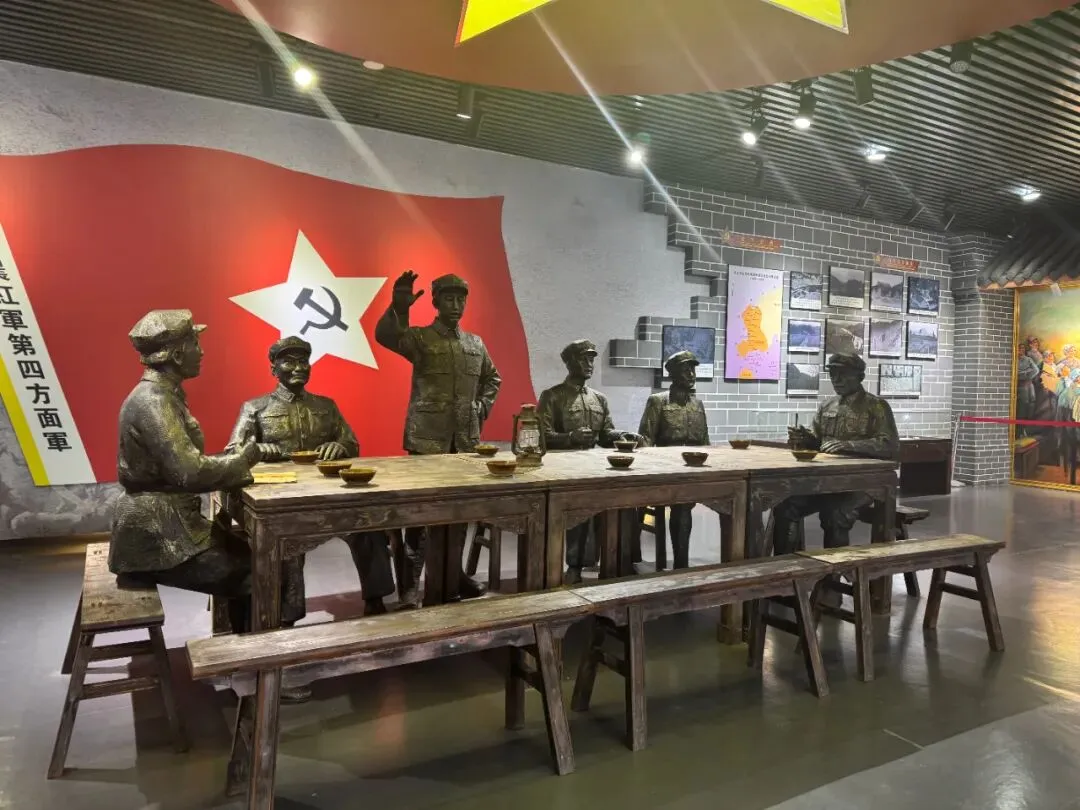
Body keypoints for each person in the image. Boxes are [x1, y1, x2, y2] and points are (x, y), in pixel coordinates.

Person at [108, 310, 259, 636]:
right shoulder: (153, 401)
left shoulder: (162, 395)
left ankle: (241, 645)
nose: (201, 352)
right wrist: (242, 461)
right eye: (195, 344)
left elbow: (182, 462)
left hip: (168, 523)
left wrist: (228, 461)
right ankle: (254, 658)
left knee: (248, 553)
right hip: (158, 535)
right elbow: (188, 472)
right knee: (258, 571)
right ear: (177, 355)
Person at [226, 336, 396, 626]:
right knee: (285, 541)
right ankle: (286, 616)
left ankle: (375, 598)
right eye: (288, 362)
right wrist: (259, 450)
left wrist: (340, 446)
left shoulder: (326, 406)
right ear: (274, 369)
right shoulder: (255, 408)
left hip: (328, 493)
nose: (298, 367)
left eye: (303, 361)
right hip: (282, 498)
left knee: (369, 525)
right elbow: (233, 452)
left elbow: (352, 442)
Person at [374, 270, 501, 605]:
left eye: (460, 299)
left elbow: (493, 379)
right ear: (435, 302)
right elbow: (386, 336)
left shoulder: (475, 344)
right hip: (427, 441)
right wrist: (400, 308)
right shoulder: (420, 338)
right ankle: (410, 586)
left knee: (459, 516)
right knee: (420, 519)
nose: (455, 305)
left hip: (465, 443)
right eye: (448, 299)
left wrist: (481, 407)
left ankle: (452, 576)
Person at [538, 339, 643, 583]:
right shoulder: (552, 396)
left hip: (595, 467)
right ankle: (574, 566)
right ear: (569, 362)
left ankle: (620, 561)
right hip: (564, 471)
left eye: (592, 359)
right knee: (580, 504)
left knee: (628, 500)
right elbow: (541, 438)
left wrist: (622, 435)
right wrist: (569, 438)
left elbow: (605, 435)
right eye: (583, 359)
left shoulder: (599, 399)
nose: (589, 364)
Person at [778, 353, 899, 554]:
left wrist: (848, 445)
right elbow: (819, 442)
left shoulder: (876, 406)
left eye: (843, 374)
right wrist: (805, 439)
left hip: (864, 483)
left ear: (860, 376)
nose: (837, 380)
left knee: (835, 515)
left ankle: (835, 571)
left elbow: (890, 446)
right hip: (829, 481)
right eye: (833, 374)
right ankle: (787, 567)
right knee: (786, 506)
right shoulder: (827, 405)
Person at [637, 350, 710, 570]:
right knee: (682, 504)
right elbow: (645, 441)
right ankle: (681, 565)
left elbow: (706, 443)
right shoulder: (658, 402)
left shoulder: (697, 404)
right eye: (686, 370)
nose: (691, 374)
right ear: (673, 374)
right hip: (668, 473)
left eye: (693, 369)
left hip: (695, 472)